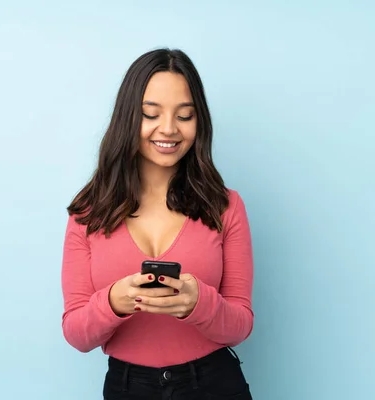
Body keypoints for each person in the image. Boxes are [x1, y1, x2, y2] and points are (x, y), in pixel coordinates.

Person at [61, 48, 254, 400]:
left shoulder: (226, 206)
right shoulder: (88, 212)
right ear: (127, 118)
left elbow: (240, 325)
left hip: (213, 383)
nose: (168, 129)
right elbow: (76, 334)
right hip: (128, 387)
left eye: (185, 116)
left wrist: (199, 304)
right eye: (151, 114)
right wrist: (113, 303)